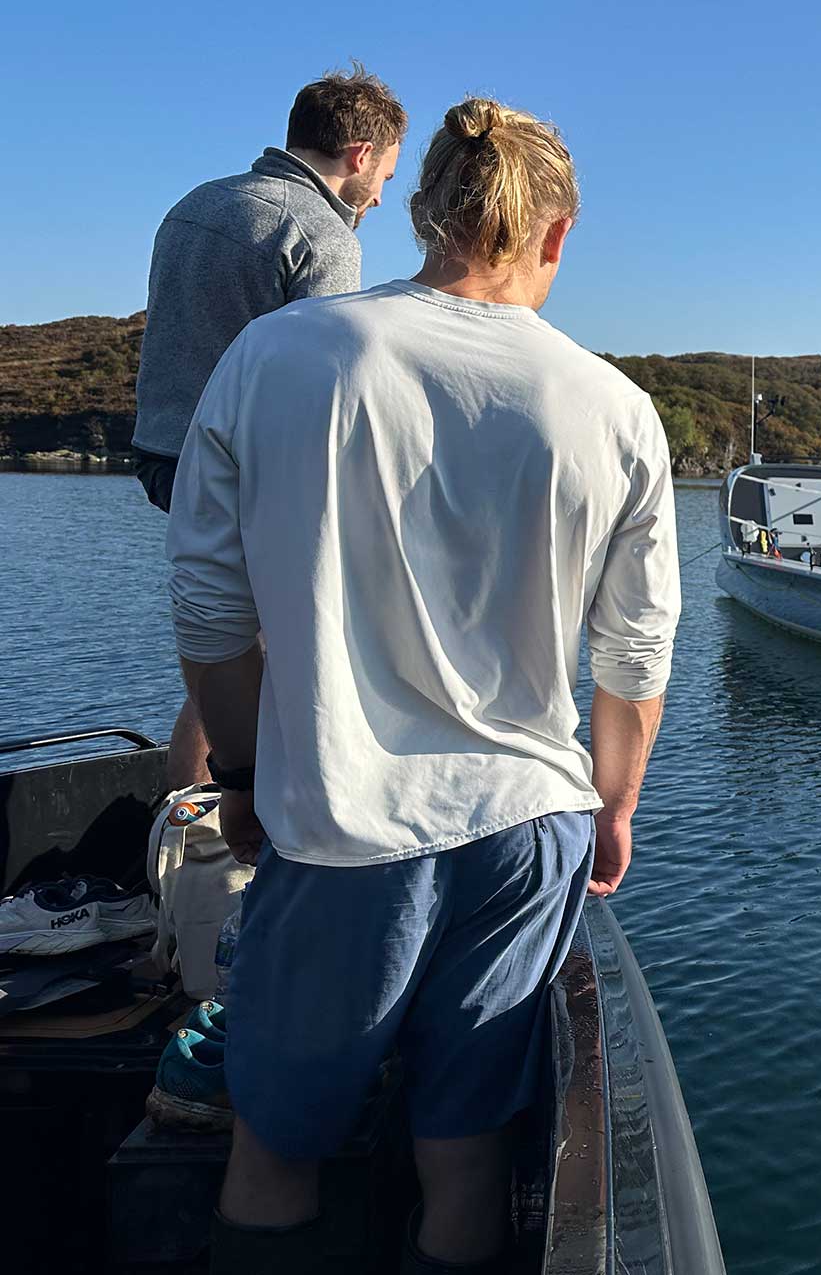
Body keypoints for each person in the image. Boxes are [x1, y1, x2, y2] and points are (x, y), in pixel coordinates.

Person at [166, 98, 681, 1274]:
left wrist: (242, 779)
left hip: (342, 825)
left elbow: (210, 609)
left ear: (418, 211)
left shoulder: (282, 356)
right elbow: (634, 661)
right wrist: (612, 808)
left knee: (274, 1149)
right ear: (557, 235)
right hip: (528, 827)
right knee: (465, 1151)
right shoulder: (615, 409)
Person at [134, 64, 406, 789]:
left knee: (222, 644)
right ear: (359, 154)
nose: (381, 196)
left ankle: (185, 822)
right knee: (259, 656)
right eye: (384, 174)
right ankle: (209, 836)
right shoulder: (321, 233)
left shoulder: (194, 205)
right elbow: (326, 385)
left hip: (165, 453)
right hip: (246, 466)